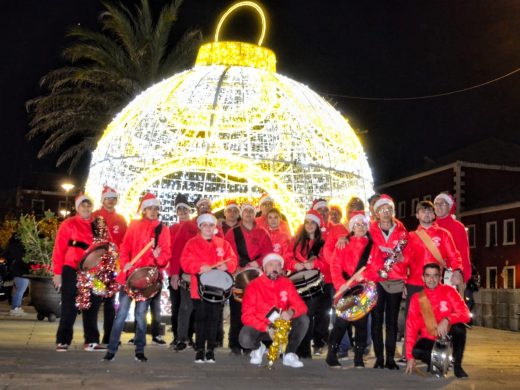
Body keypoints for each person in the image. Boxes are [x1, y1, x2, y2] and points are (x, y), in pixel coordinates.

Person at [102, 193, 171, 362]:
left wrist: (157, 256)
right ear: (144, 209)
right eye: (150, 208)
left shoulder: (163, 229)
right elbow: (125, 247)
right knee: (122, 313)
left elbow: (166, 256)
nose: (153, 211)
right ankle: (111, 348)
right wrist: (124, 262)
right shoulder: (134, 225)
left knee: (141, 314)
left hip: (147, 279)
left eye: (156, 208)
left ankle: (139, 350)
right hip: (130, 275)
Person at [398, 200, 463, 363]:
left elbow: (454, 255)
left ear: (433, 215)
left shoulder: (443, 234)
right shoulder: (411, 236)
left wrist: (457, 270)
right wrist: (403, 279)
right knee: (412, 320)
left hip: (436, 283)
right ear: (417, 215)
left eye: (429, 211)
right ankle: (409, 353)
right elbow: (406, 261)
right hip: (415, 282)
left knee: (440, 317)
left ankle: (441, 352)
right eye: (423, 211)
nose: (426, 214)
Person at [326, 211, 383, 368]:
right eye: (357, 224)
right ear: (352, 227)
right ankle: (331, 354)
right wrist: (340, 284)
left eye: (364, 224)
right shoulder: (344, 243)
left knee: (362, 323)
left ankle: (358, 357)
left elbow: (377, 268)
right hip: (346, 288)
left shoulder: (373, 246)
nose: (361, 227)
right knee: (342, 322)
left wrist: (365, 275)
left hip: (363, 288)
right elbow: (335, 265)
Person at [181, 213, 238, 363]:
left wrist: (227, 266)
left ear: (215, 227)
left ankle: (211, 349)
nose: (208, 228)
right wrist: (199, 267)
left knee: (214, 319)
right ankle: (200, 349)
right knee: (200, 318)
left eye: (211, 225)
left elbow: (233, 260)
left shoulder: (223, 243)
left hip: (217, 289)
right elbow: (185, 261)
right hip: (199, 289)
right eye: (204, 225)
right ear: (200, 227)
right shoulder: (191, 243)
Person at [52, 194, 105, 352]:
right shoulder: (69, 224)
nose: (86, 208)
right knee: (69, 305)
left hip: (93, 271)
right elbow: (59, 248)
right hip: (71, 269)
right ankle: (63, 340)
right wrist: (57, 273)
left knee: (93, 304)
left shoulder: (98, 225)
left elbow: (104, 248)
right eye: (83, 205)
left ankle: (91, 341)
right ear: (77, 207)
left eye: (88, 205)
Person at [170, 197, 223, 351]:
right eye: (201, 206)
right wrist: (174, 274)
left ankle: (207, 339)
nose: (204, 208)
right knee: (186, 308)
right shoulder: (187, 226)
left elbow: (223, 249)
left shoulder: (216, 228)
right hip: (189, 274)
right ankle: (182, 338)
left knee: (209, 308)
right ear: (197, 208)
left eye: (207, 205)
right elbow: (177, 251)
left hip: (211, 276)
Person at [239, 253, 309, 368]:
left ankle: (289, 353)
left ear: (281, 269)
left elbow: (301, 306)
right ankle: (258, 348)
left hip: (282, 325)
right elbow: (246, 316)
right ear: (264, 268)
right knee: (245, 338)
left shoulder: (286, 283)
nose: (275, 268)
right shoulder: (253, 286)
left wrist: (291, 312)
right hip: (262, 326)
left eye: (278, 266)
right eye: (271, 265)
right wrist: (266, 328)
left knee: (303, 320)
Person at [405, 263, 471, 378]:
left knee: (460, 328)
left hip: (447, 336)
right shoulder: (417, 298)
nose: (431, 279)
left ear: (440, 277)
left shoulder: (449, 291)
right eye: (428, 276)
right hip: (431, 339)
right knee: (416, 351)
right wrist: (409, 357)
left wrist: (447, 319)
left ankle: (457, 366)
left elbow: (466, 315)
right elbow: (411, 327)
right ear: (423, 278)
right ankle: (438, 362)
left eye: (435, 276)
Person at [224, 202, 272, 356]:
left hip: (258, 277)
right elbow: (227, 253)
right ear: (241, 214)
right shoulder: (232, 233)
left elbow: (268, 253)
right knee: (237, 311)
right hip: (239, 276)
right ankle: (235, 344)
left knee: (258, 311)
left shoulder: (263, 233)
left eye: (251, 211)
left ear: (254, 214)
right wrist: (236, 267)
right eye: (246, 212)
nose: (249, 214)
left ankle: (255, 342)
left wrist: (257, 263)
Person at [369, 194, 409, 369]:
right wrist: (345, 237)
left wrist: (403, 258)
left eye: (389, 210)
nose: (386, 213)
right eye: (382, 210)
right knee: (377, 320)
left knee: (392, 322)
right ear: (376, 213)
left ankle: (390, 358)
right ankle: (379, 358)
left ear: (393, 211)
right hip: (377, 279)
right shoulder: (370, 229)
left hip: (395, 280)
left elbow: (411, 255)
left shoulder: (402, 231)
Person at [286, 209, 327, 359]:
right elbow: (287, 257)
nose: (309, 225)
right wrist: (294, 265)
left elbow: (327, 261)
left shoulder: (322, 243)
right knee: (296, 314)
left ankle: (304, 350)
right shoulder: (296, 240)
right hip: (296, 283)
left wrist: (315, 263)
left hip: (313, 285)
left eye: (312, 223)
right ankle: (294, 348)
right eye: (307, 222)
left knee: (308, 316)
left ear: (317, 225)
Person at [92, 186, 128, 345]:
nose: (111, 201)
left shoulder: (121, 219)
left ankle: (109, 336)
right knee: (94, 299)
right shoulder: (94, 216)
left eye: (113, 198)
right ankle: (92, 336)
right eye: (108, 198)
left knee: (110, 301)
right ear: (103, 200)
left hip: (113, 267)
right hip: (97, 267)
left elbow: (125, 242)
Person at [168, 194, 192, 347]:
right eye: (179, 209)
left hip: (190, 270)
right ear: (176, 212)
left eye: (185, 209)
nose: (182, 211)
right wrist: (173, 273)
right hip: (176, 270)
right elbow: (171, 251)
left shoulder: (195, 227)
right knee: (176, 304)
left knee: (190, 305)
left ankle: (188, 335)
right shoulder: (172, 228)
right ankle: (178, 335)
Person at [433, 193, 472, 285]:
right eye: (436, 204)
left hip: (451, 274)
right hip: (431, 274)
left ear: (449, 207)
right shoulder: (430, 226)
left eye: (442, 204)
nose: (439, 207)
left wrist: (463, 275)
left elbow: (463, 252)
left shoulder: (458, 227)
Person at [4, 233, 30, 316]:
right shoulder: (21, 246)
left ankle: (17, 307)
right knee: (20, 290)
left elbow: (4, 256)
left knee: (19, 290)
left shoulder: (10, 245)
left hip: (15, 270)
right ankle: (15, 308)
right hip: (22, 270)